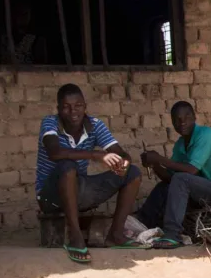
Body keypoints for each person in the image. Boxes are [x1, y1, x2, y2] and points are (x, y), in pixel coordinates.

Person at [36, 84, 141, 263]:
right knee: (67, 166)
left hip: (79, 190)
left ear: (85, 106)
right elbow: (55, 153)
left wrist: (122, 163)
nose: (73, 111)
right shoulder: (50, 123)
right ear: (59, 109)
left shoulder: (95, 125)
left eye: (78, 106)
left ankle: (115, 234)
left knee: (132, 173)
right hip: (50, 196)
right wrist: (96, 155)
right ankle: (75, 237)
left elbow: (123, 154)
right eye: (66, 107)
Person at [136, 101, 211, 247]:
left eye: (187, 117)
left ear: (194, 118)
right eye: (177, 119)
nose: (182, 122)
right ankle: (141, 224)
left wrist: (159, 158)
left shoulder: (206, 135)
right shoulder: (180, 144)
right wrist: (155, 164)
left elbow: (191, 170)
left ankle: (172, 235)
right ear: (172, 122)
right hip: (204, 193)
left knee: (182, 178)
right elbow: (170, 178)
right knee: (166, 185)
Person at [0, 0, 47, 65]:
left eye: (25, 14)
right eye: (19, 13)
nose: (22, 17)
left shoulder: (38, 40)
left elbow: (42, 66)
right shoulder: (4, 38)